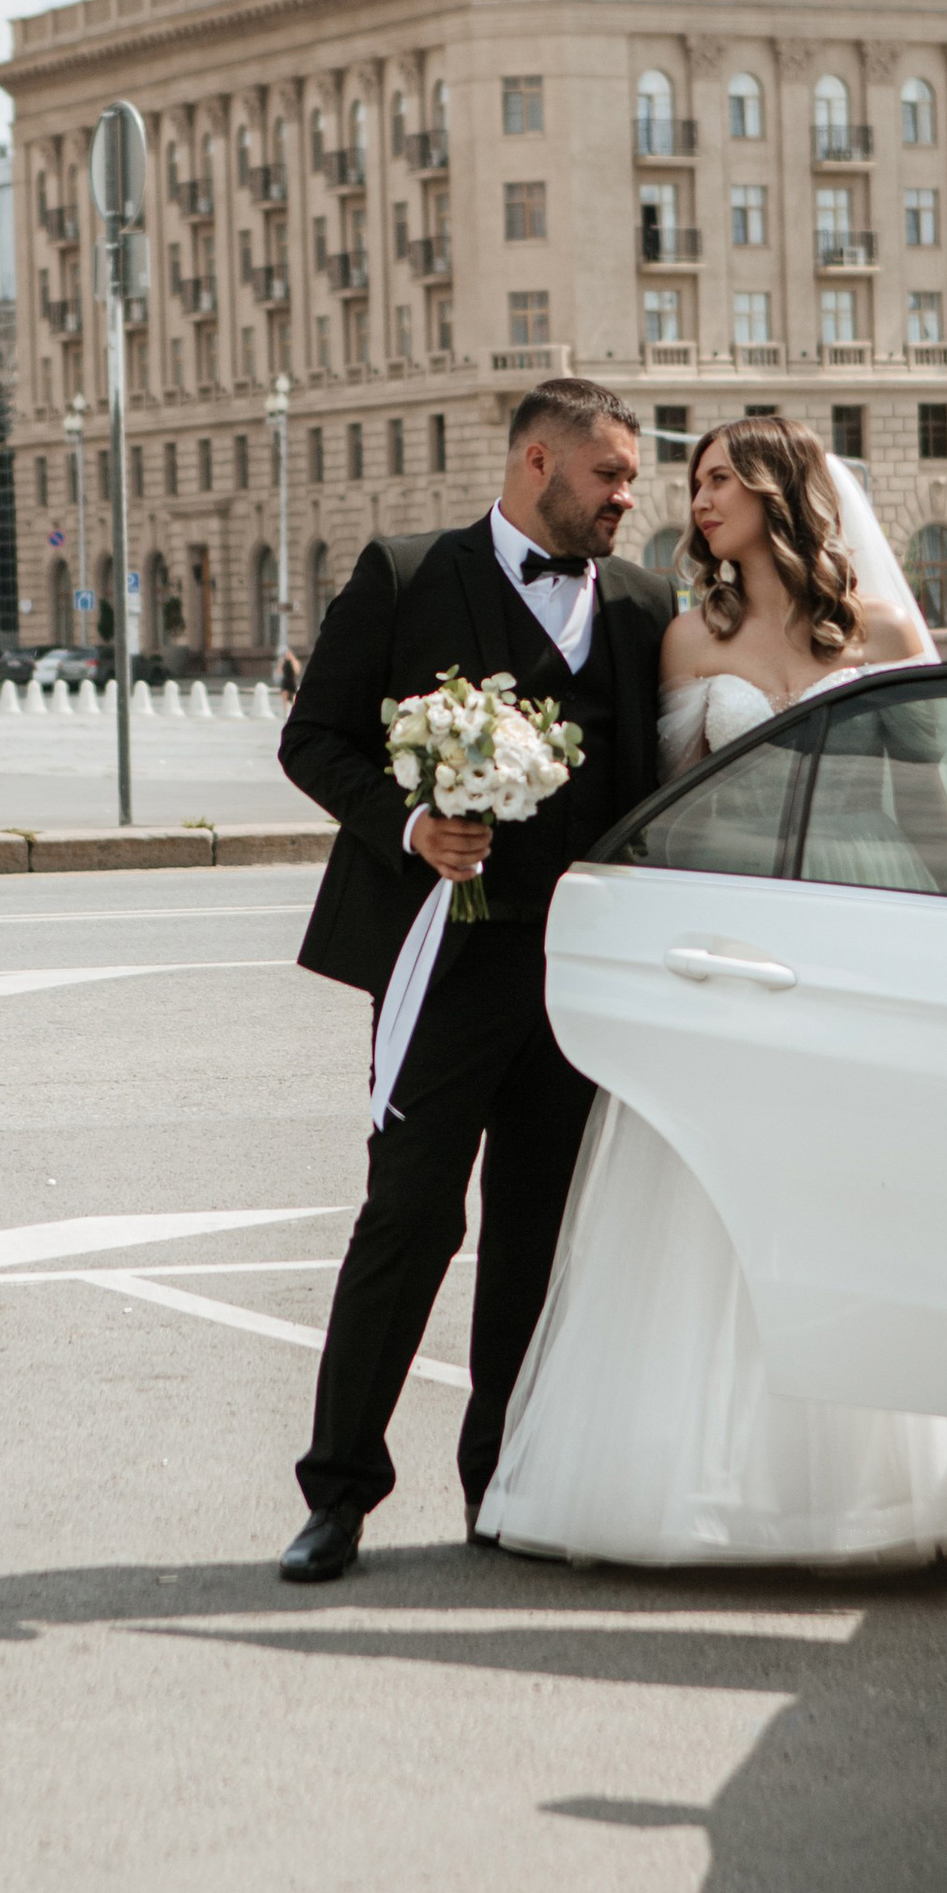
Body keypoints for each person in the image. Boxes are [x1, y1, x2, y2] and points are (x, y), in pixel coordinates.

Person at [476, 412, 947, 1568]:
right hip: (736, 935)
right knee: (711, 1192)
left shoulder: (879, 628)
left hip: (869, 916)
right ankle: (700, 1480)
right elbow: (665, 805)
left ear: (783, 491)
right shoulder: (687, 641)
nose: (701, 497)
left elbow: (936, 796)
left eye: (721, 477)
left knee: (870, 1184)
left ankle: (899, 1481)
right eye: (696, 480)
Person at [274, 375, 678, 1582]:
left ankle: (497, 1485)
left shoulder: (645, 603)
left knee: (534, 1236)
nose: (625, 498)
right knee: (406, 1217)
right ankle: (337, 1494)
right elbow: (312, 738)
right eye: (609, 476)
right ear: (536, 464)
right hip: (441, 966)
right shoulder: (405, 575)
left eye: (632, 481)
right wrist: (412, 828)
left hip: (576, 981)